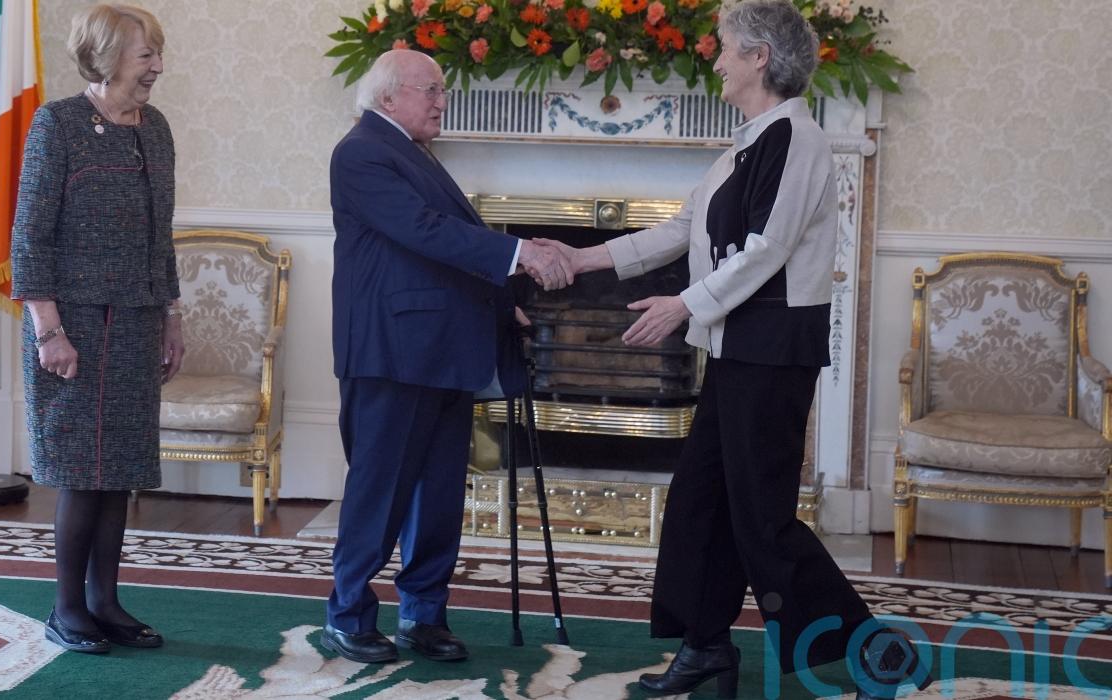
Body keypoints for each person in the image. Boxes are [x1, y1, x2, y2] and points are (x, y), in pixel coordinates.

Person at [535, 2, 932, 698]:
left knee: (761, 519)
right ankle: (705, 647)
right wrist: (581, 256)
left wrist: (684, 304)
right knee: (702, 502)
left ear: (759, 57)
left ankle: (877, 653)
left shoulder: (798, 140)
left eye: (725, 48)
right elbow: (680, 230)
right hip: (737, 350)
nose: (715, 61)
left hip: (774, 352)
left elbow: (767, 248)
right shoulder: (742, 149)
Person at [325, 48, 571, 664]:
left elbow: (443, 254)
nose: (442, 101)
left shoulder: (413, 152)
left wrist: (503, 306)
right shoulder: (361, 153)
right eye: (430, 90)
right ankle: (349, 615)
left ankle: (423, 615)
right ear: (388, 97)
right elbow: (424, 231)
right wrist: (521, 254)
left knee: (437, 495)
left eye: (443, 89)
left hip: (441, 349)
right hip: (391, 353)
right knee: (380, 492)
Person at [10, 4, 182, 654]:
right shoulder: (57, 124)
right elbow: (29, 236)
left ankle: (105, 602)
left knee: (120, 470)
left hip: (137, 321)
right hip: (74, 328)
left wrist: (172, 315)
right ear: (107, 58)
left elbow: (161, 235)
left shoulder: (156, 129)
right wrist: (47, 330)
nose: (157, 66)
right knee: (83, 470)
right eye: (146, 55)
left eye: (157, 54)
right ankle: (66, 610)